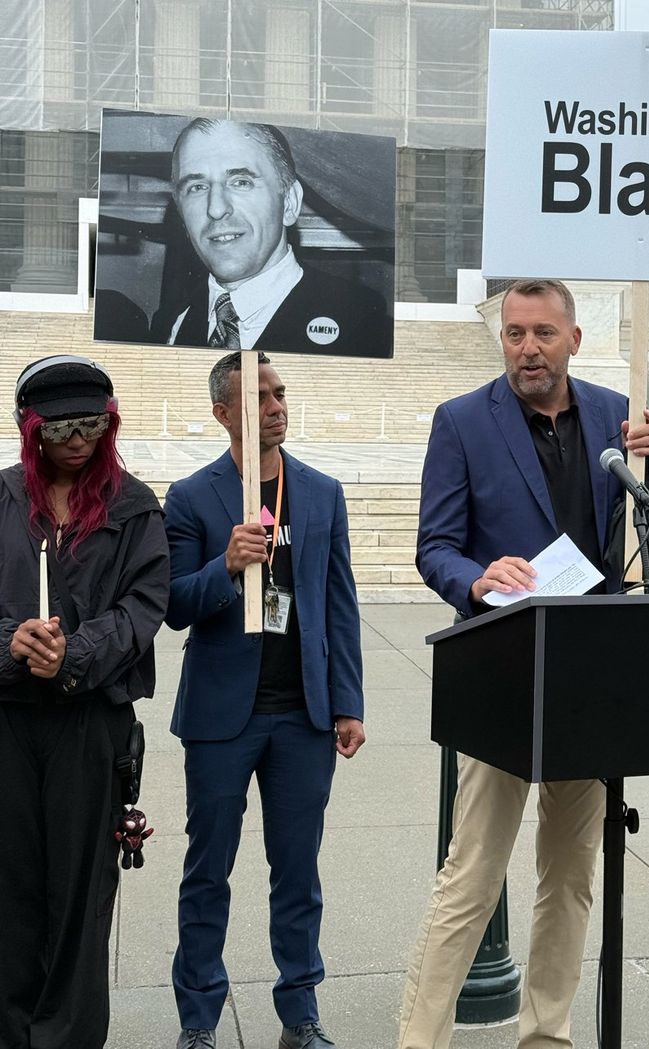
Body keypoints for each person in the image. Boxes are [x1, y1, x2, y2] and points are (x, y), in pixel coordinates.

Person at [399, 279, 649, 1049]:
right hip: (504, 672)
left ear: (574, 339)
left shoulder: (619, 415)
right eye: (514, 333)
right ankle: (419, 1039)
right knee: (472, 874)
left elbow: (648, 553)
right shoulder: (461, 422)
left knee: (572, 874)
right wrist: (476, 579)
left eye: (543, 333)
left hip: (591, 677)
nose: (527, 348)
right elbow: (434, 548)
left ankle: (546, 1036)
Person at [165, 351, 365, 1049]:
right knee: (207, 871)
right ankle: (198, 1020)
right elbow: (173, 605)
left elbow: (339, 605)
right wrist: (225, 566)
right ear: (223, 413)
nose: (277, 404)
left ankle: (300, 1014)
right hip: (223, 717)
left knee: (297, 873)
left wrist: (348, 702)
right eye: (260, 397)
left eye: (281, 392)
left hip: (303, 716)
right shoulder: (191, 497)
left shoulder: (322, 492)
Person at [0, 355, 169, 1049]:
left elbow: (142, 607)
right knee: (10, 892)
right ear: (30, 430)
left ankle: (65, 1039)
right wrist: (13, 642)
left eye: (93, 425)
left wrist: (75, 652)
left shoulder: (134, 506)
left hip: (90, 726)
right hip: (8, 722)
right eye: (61, 428)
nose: (78, 440)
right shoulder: (3, 498)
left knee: (78, 896)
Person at [158, 117, 389, 357]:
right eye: (197, 187)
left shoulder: (361, 323)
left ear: (289, 203)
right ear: (181, 215)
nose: (215, 209)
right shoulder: (170, 323)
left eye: (241, 182)